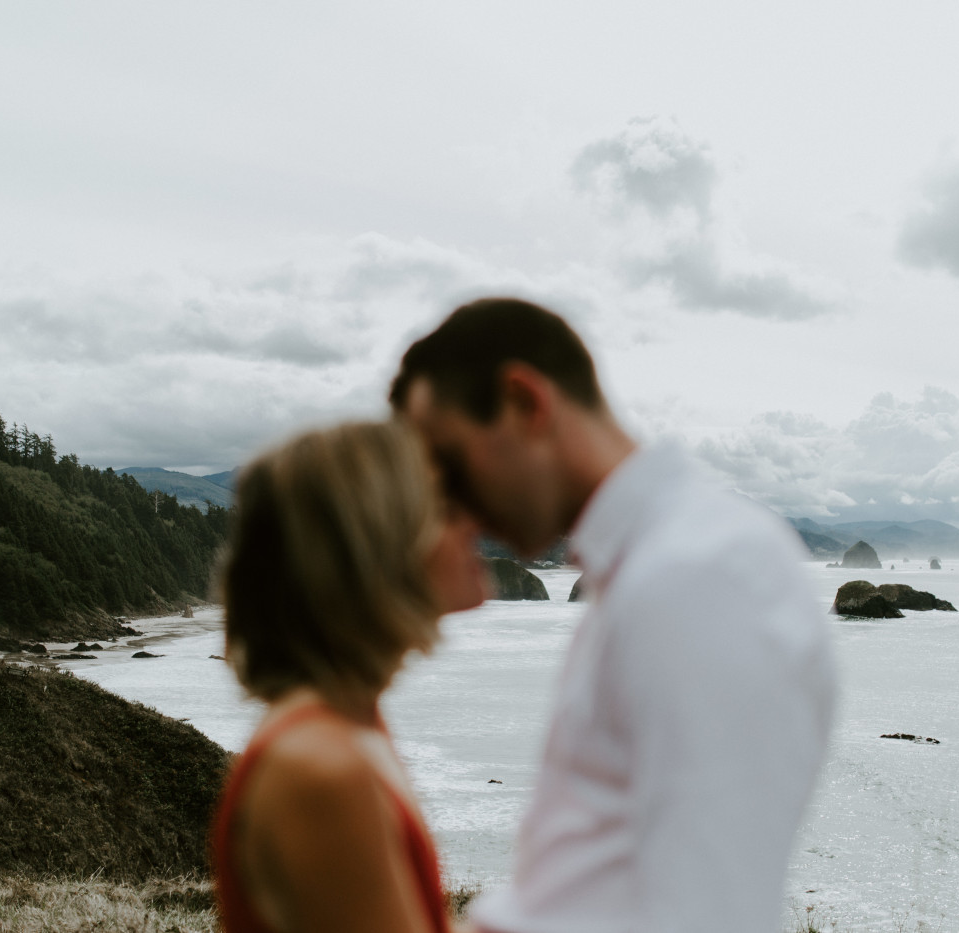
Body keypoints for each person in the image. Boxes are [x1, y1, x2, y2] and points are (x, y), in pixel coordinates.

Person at [390, 297, 837, 933]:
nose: (448, 506)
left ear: (525, 403)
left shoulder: (698, 573)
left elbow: (705, 915)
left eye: (450, 466)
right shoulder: (657, 568)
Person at [211, 420, 489, 933]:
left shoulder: (349, 725)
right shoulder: (323, 771)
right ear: (382, 545)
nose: (477, 521)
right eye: (447, 508)